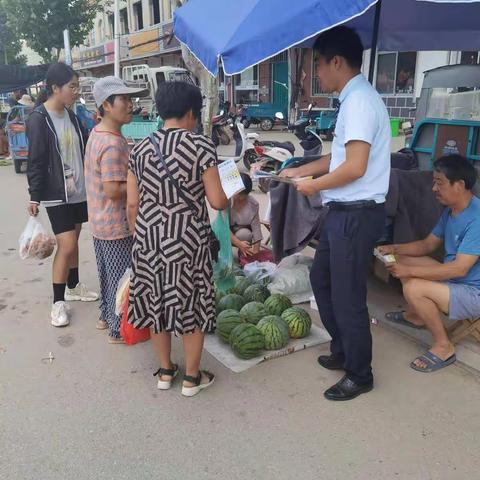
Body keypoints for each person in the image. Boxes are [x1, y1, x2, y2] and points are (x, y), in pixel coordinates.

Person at [281, 26, 391, 401]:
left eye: (318, 66)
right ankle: (343, 349)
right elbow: (340, 156)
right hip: (343, 212)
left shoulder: (359, 102)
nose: (317, 75)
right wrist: (302, 170)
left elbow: (355, 167)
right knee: (323, 280)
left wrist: (316, 186)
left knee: (347, 296)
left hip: (355, 213)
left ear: (337, 61)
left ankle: (360, 373)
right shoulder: (353, 100)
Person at [127, 81, 228, 396]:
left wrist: (141, 235)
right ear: (190, 113)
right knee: (191, 305)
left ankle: (165, 371)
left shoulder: (140, 148)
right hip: (187, 239)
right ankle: (192, 378)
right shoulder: (201, 146)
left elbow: (132, 203)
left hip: (148, 238)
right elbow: (216, 201)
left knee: (157, 303)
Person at [380, 155, 480, 372]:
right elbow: (427, 245)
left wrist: (409, 271)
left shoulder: (477, 218)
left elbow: (460, 268)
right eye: (434, 182)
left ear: (460, 185)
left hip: (473, 291)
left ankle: (444, 346)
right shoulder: (452, 210)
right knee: (400, 260)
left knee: (414, 287)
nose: (434, 188)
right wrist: (394, 248)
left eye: (439, 183)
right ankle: (416, 315)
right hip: (456, 279)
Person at [26, 62, 98, 328]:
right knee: (66, 245)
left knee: (74, 240)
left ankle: (73, 285)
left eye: (77, 86)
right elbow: (36, 160)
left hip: (78, 191)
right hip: (57, 193)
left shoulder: (72, 116)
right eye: (72, 87)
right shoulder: (39, 119)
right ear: (55, 88)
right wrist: (35, 195)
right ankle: (57, 303)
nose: (76, 92)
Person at [84, 76, 148, 343]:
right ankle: (116, 329)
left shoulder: (98, 133)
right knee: (123, 281)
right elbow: (113, 190)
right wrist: (142, 184)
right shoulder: (112, 143)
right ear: (106, 106)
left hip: (100, 224)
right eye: (124, 99)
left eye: (130, 99)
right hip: (115, 226)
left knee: (108, 276)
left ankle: (104, 316)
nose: (130, 105)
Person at [230, 173, 262, 257]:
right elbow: (223, 227)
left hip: (240, 232)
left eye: (241, 196)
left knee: (245, 234)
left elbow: (256, 228)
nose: (237, 197)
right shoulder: (226, 200)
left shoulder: (253, 204)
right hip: (225, 231)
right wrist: (239, 244)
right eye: (236, 193)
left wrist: (256, 253)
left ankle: (242, 257)